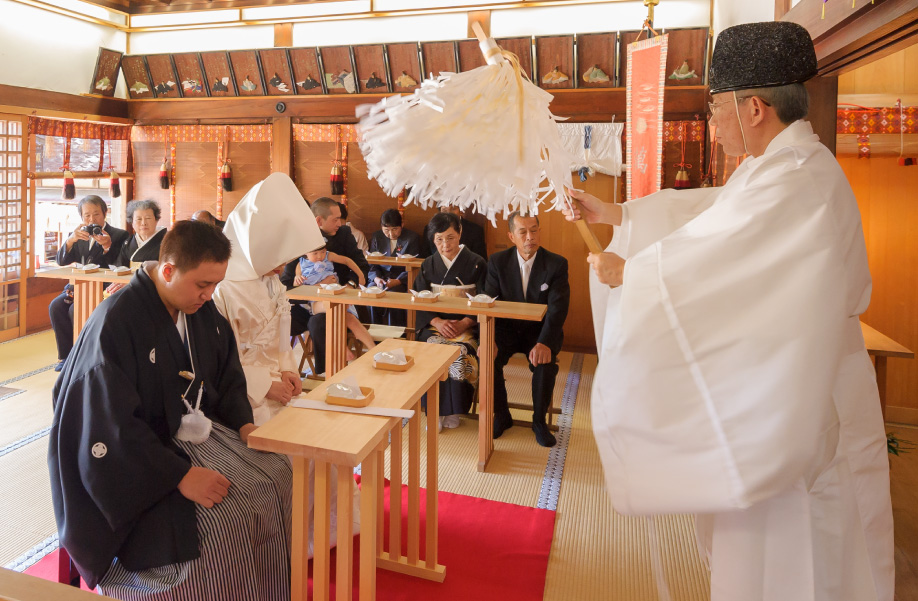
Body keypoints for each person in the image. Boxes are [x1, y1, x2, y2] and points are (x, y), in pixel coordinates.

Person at [565, 21, 893, 601]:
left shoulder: (795, 180)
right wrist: (615, 216)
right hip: (788, 384)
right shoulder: (779, 170)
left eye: (717, 106)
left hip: (803, 397)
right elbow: (712, 216)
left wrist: (633, 272)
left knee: (802, 560)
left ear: (756, 108)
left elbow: (722, 256)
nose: (713, 122)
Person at [48, 220, 292, 600]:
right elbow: (106, 423)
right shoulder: (115, 322)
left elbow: (227, 374)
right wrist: (179, 476)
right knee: (224, 518)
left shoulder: (198, 310)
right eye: (202, 285)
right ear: (167, 270)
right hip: (137, 458)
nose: (209, 296)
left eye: (215, 285)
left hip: (191, 435)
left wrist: (245, 425)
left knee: (278, 472)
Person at [213, 173, 323, 426]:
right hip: (243, 391)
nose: (282, 266)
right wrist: (263, 386)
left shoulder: (271, 281)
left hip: (279, 382)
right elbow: (221, 357)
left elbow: (283, 339)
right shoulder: (223, 288)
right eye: (277, 257)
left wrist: (288, 370)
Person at [485, 211, 569, 447]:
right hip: (506, 329)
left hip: (540, 332)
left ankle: (539, 421)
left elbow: (558, 309)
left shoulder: (556, 264)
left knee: (544, 364)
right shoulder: (497, 262)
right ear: (512, 236)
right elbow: (488, 303)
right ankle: (502, 415)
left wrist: (544, 342)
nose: (529, 237)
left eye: (534, 230)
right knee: (488, 359)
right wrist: (488, 338)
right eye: (523, 232)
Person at [414, 211, 487, 430]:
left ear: (460, 233)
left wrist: (466, 322)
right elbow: (418, 298)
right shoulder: (428, 264)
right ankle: (434, 411)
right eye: (439, 239)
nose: (445, 244)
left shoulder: (477, 263)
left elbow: (485, 298)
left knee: (460, 353)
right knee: (431, 352)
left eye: (450, 237)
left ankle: (455, 410)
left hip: (467, 326)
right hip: (434, 326)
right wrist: (436, 321)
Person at [281, 197, 370, 375]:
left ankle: (328, 372)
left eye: (340, 218)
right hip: (307, 301)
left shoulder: (344, 234)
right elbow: (287, 281)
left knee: (318, 322)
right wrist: (306, 285)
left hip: (339, 300)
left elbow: (361, 264)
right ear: (318, 221)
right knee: (280, 320)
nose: (340, 222)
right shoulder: (301, 239)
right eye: (335, 219)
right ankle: (282, 370)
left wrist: (350, 286)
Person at [49, 195, 128, 371]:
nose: (92, 219)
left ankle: (83, 356)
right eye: (87, 216)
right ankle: (66, 357)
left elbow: (121, 265)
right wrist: (70, 240)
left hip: (105, 288)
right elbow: (61, 261)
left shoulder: (119, 234)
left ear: (105, 213)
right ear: (82, 217)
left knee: (74, 310)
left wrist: (108, 246)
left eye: (96, 214)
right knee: (55, 306)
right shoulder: (79, 235)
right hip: (79, 287)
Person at [295, 246, 376, 358]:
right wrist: (301, 278)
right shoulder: (300, 264)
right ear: (305, 253)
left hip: (334, 293)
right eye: (315, 253)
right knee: (336, 308)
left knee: (350, 318)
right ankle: (342, 347)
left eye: (322, 252)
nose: (320, 256)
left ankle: (374, 349)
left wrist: (360, 275)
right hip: (315, 300)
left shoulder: (329, 256)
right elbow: (299, 288)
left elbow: (347, 260)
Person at [367, 208, 423, 326]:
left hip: (401, 279)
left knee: (393, 295)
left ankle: (396, 335)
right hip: (380, 278)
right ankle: (374, 332)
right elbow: (372, 263)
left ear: (402, 225)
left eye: (395, 229)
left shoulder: (412, 238)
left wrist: (398, 281)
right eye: (386, 230)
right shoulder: (377, 237)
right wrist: (376, 278)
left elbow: (415, 266)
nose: (391, 234)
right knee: (371, 293)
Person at [117, 199, 166, 268]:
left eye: (148, 218)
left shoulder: (167, 242)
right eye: (139, 219)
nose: (143, 223)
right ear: (132, 222)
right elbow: (121, 268)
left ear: (156, 220)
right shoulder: (128, 243)